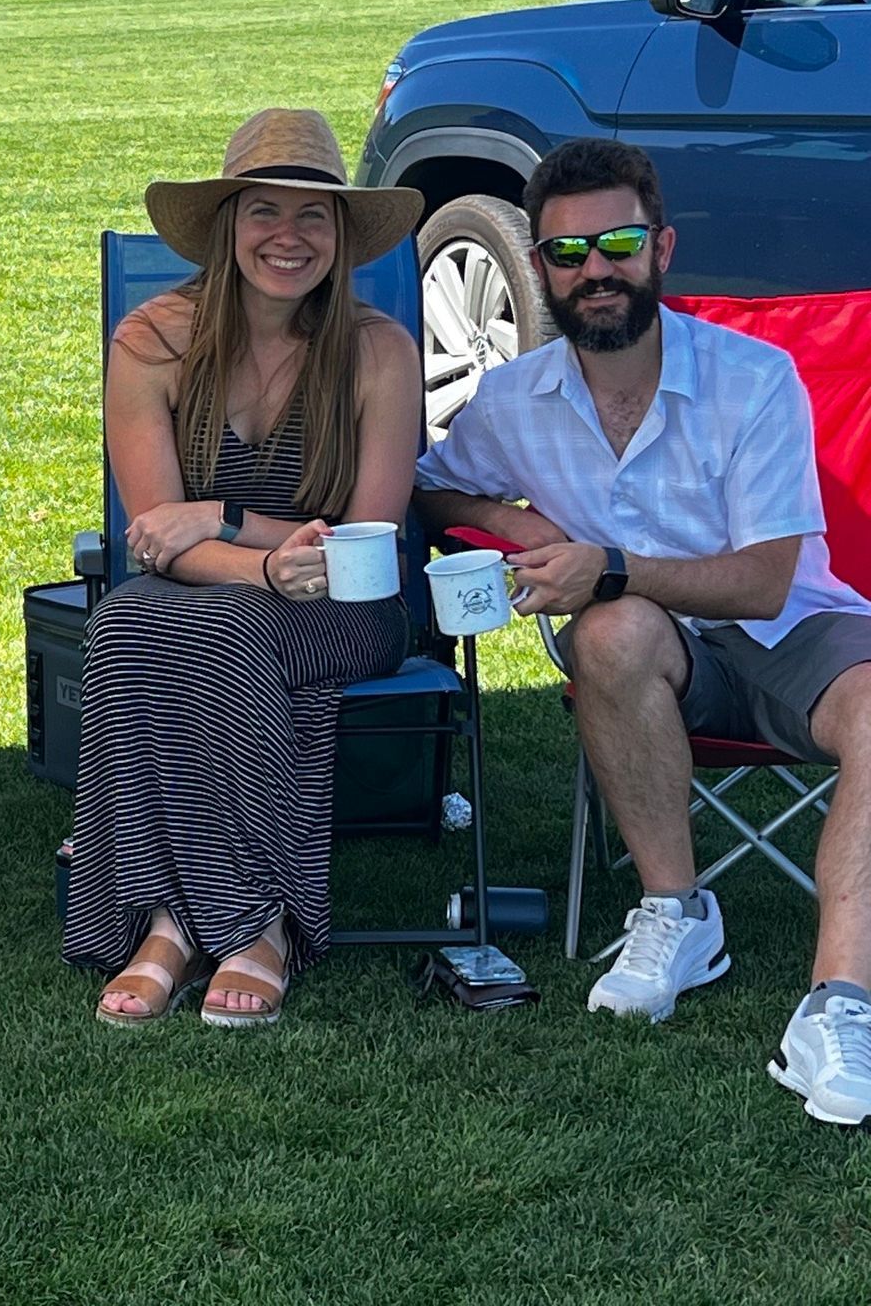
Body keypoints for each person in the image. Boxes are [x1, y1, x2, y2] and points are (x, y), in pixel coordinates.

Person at [415, 138, 871, 1125]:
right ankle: (677, 913)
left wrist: (604, 565)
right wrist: (512, 523)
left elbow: (762, 583)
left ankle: (839, 1006)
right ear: (536, 267)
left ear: (660, 247)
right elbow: (432, 478)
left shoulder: (754, 380)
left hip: (791, 632)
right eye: (568, 253)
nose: (596, 270)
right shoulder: (513, 398)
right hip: (654, 652)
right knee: (610, 634)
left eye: (617, 242)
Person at [62, 109, 423, 1027]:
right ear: (228, 225)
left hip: (355, 603)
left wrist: (222, 518)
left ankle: (231, 923)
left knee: (220, 629)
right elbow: (152, 536)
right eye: (265, 211)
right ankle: (179, 915)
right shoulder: (152, 342)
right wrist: (264, 564)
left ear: (343, 236)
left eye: (315, 216)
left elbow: (367, 543)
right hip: (218, 596)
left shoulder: (381, 353)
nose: (288, 238)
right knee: (126, 621)